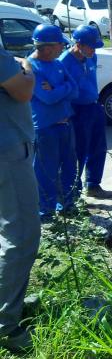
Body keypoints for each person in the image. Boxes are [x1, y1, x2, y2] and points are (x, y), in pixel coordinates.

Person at [0, 48, 41, 353]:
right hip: (7, 153)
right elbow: (23, 89)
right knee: (22, 235)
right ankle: (6, 325)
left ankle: (8, 301)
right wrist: (25, 66)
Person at [27, 24, 78, 220]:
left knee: (69, 167)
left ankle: (66, 204)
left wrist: (56, 88)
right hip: (45, 128)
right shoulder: (32, 67)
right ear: (47, 47)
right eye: (59, 45)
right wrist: (61, 90)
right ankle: (45, 211)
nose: (62, 48)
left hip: (65, 124)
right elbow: (46, 98)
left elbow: (74, 89)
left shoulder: (58, 64)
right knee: (45, 171)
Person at [59, 25, 112, 199]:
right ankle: (73, 191)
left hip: (93, 106)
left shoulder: (92, 57)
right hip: (76, 110)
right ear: (78, 44)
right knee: (78, 151)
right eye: (91, 46)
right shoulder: (64, 62)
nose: (93, 50)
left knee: (98, 147)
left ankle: (93, 184)